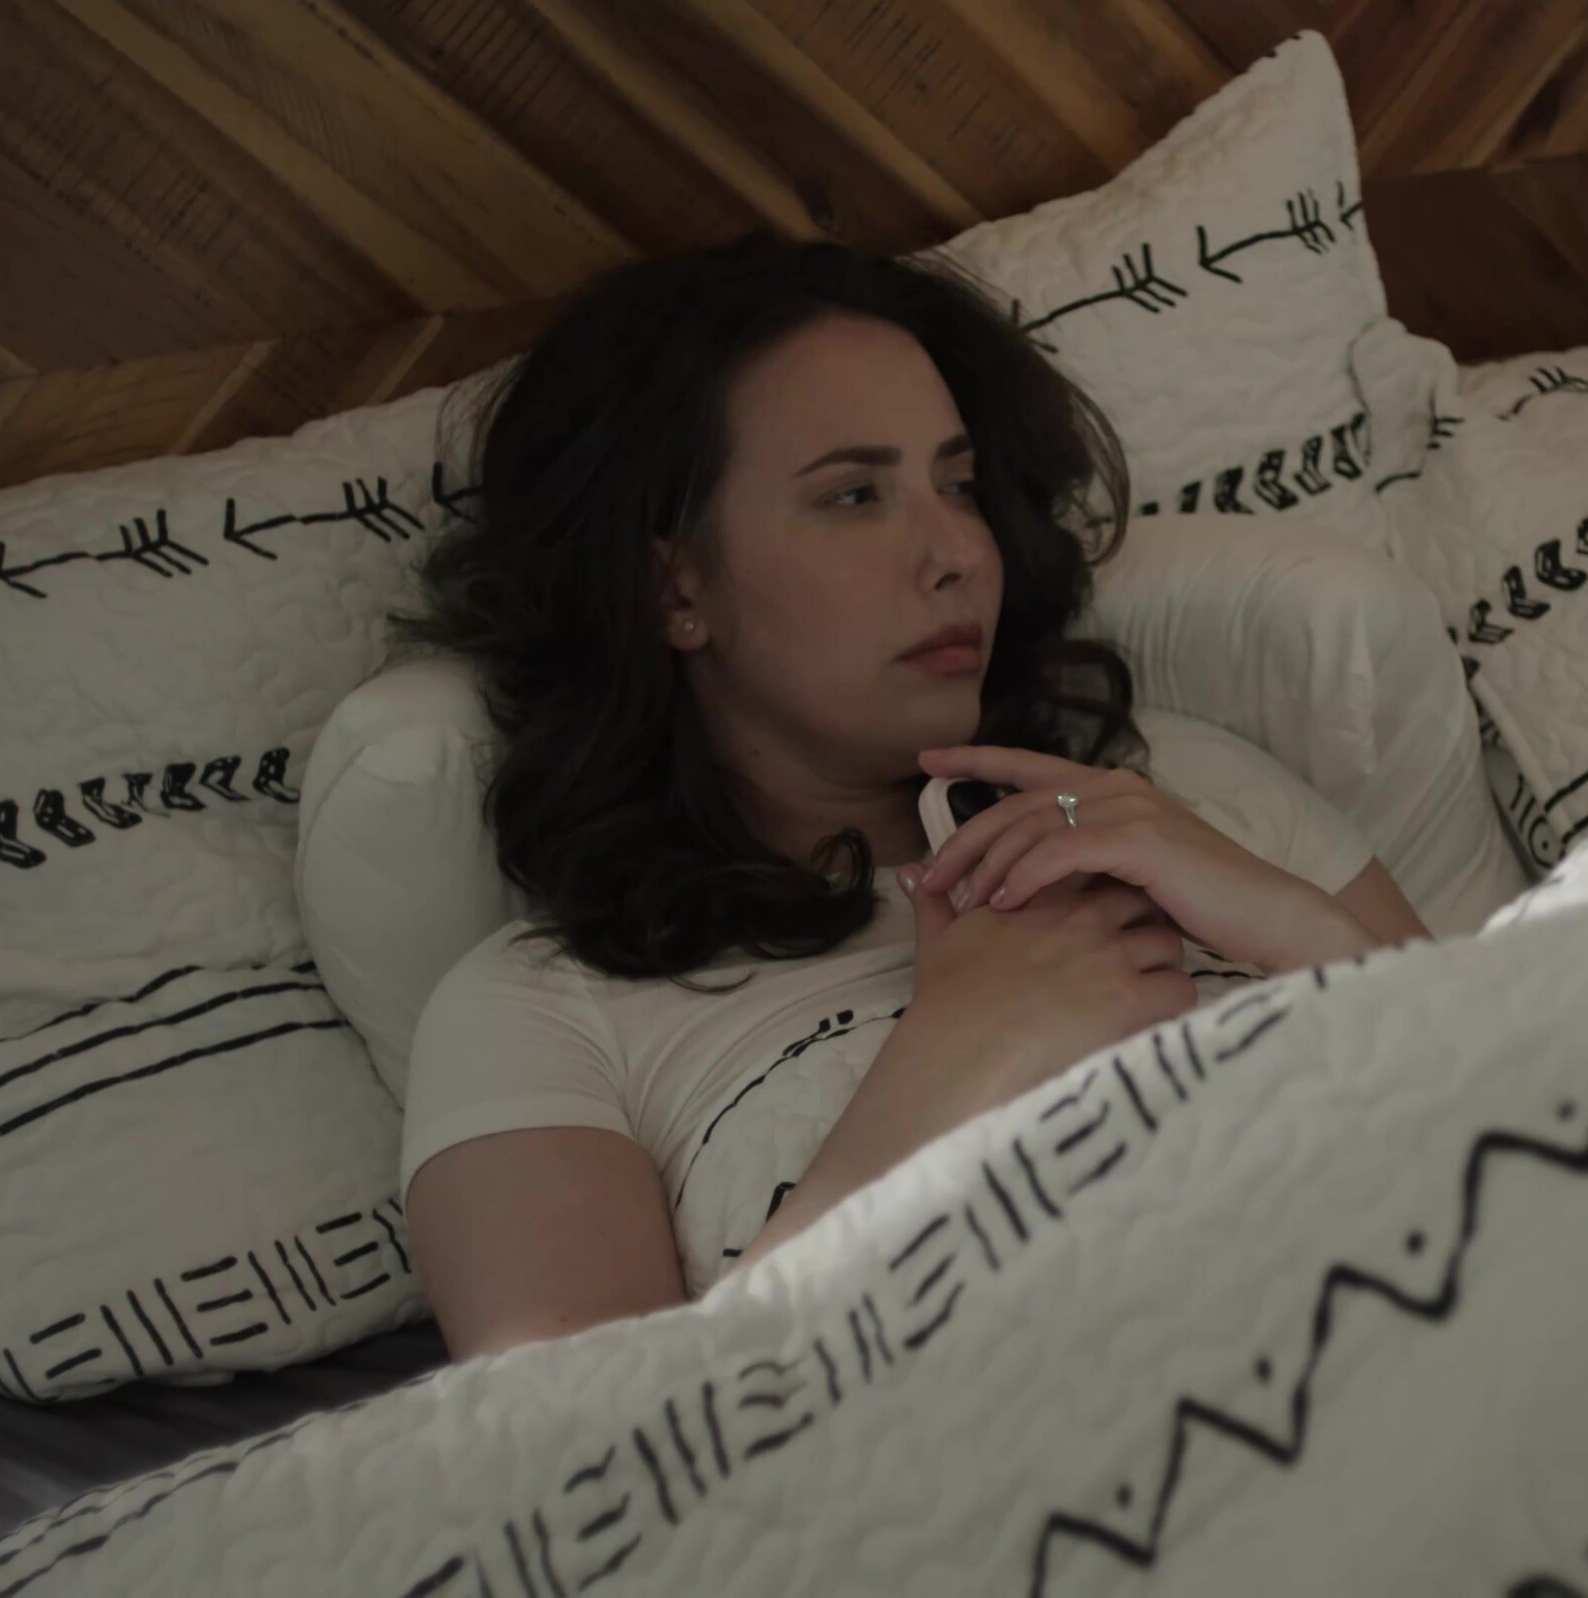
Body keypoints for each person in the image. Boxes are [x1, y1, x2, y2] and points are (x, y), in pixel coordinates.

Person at [394, 238, 1430, 1360]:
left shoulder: (1187, 786)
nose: (955, 555)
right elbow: (592, 1456)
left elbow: (1540, 1132)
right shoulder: (540, 1013)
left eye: (959, 486)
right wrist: (960, 1060)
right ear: (674, 585)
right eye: (853, 495)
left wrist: (1298, 929)